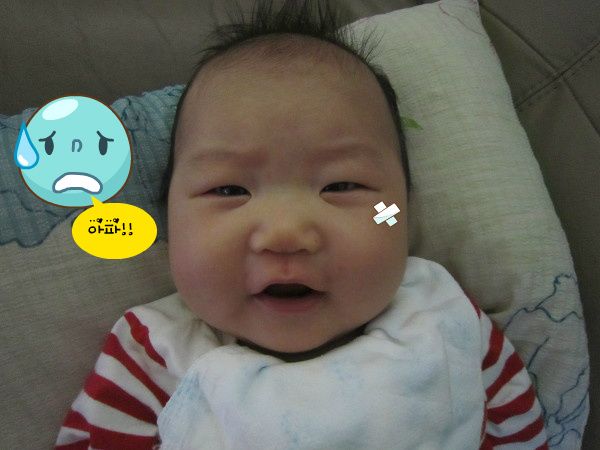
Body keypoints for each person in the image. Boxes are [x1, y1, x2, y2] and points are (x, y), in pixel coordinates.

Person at [55, 0, 548, 448]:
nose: (285, 233)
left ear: (402, 211)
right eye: (229, 191)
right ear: (170, 222)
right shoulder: (154, 356)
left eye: (342, 186)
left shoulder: (444, 319)